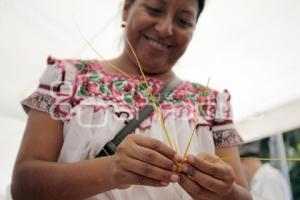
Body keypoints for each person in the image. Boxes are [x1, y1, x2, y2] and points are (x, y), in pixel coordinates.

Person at [11, 0, 252, 199]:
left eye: (183, 21)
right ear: (126, 8)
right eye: (154, 9)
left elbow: (242, 195)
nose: (166, 28)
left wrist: (225, 191)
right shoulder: (66, 78)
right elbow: (23, 185)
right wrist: (112, 169)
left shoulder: (211, 102)